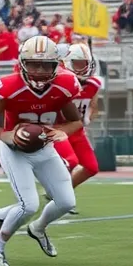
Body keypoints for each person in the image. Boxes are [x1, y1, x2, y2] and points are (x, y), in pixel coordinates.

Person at [0, 37, 84, 266]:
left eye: (46, 64)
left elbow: (76, 121)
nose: (39, 70)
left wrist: (62, 131)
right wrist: (3, 135)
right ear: (22, 63)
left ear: (56, 65)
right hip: (14, 149)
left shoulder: (64, 85)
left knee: (67, 202)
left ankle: (34, 227)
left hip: (45, 147)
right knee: (28, 205)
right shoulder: (10, 86)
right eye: (34, 64)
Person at [51, 43, 102, 190]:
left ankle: (61, 192)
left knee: (91, 168)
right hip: (59, 128)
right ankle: (58, 194)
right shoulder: (58, 82)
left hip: (77, 130)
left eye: (85, 63)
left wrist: (87, 119)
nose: (83, 67)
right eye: (78, 63)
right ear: (67, 62)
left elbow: (94, 107)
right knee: (70, 162)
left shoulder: (93, 84)